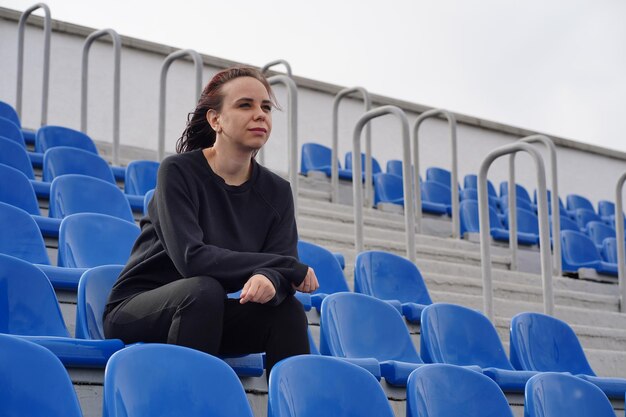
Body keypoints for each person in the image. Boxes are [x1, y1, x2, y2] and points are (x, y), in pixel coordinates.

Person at [103, 66, 319, 376]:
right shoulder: (178, 172)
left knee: (288, 312)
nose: (260, 115)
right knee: (202, 290)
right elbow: (192, 259)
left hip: (205, 315)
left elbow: (283, 261)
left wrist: (271, 278)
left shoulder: (277, 191)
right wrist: (281, 267)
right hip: (140, 310)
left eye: (266, 107)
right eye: (245, 105)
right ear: (215, 119)